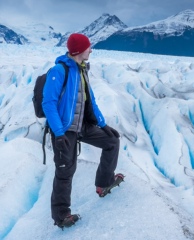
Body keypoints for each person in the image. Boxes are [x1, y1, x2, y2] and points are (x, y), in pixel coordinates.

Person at [42, 33, 123, 229]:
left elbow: (90, 101)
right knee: (65, 170)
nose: (91, 50)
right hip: (64, 129)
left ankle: (103, 184)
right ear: (79, 50)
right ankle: (61, 216)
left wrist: (103, 125)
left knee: (112, 141)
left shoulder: (82, 70)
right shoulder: (59, 71)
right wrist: (59, 134)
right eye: (88, 47)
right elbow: (48, 103)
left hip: (82, 125)